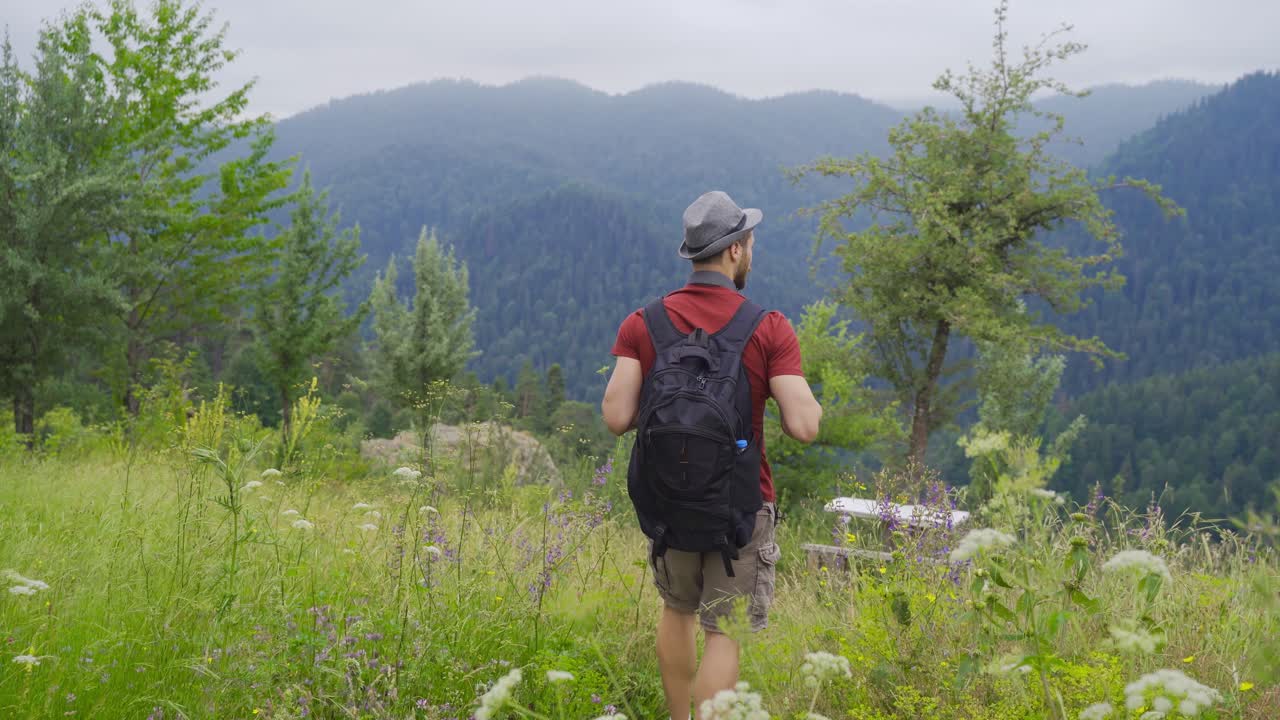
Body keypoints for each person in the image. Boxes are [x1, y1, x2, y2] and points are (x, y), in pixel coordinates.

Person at [601, 190, 822, 720]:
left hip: (669, 505)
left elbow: (615, 417)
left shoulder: (644, 323)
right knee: (725, 633)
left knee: (677, 613)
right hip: (740, 511)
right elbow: (804, 425)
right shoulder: (767, 327)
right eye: (750, 243)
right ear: (735, 252)